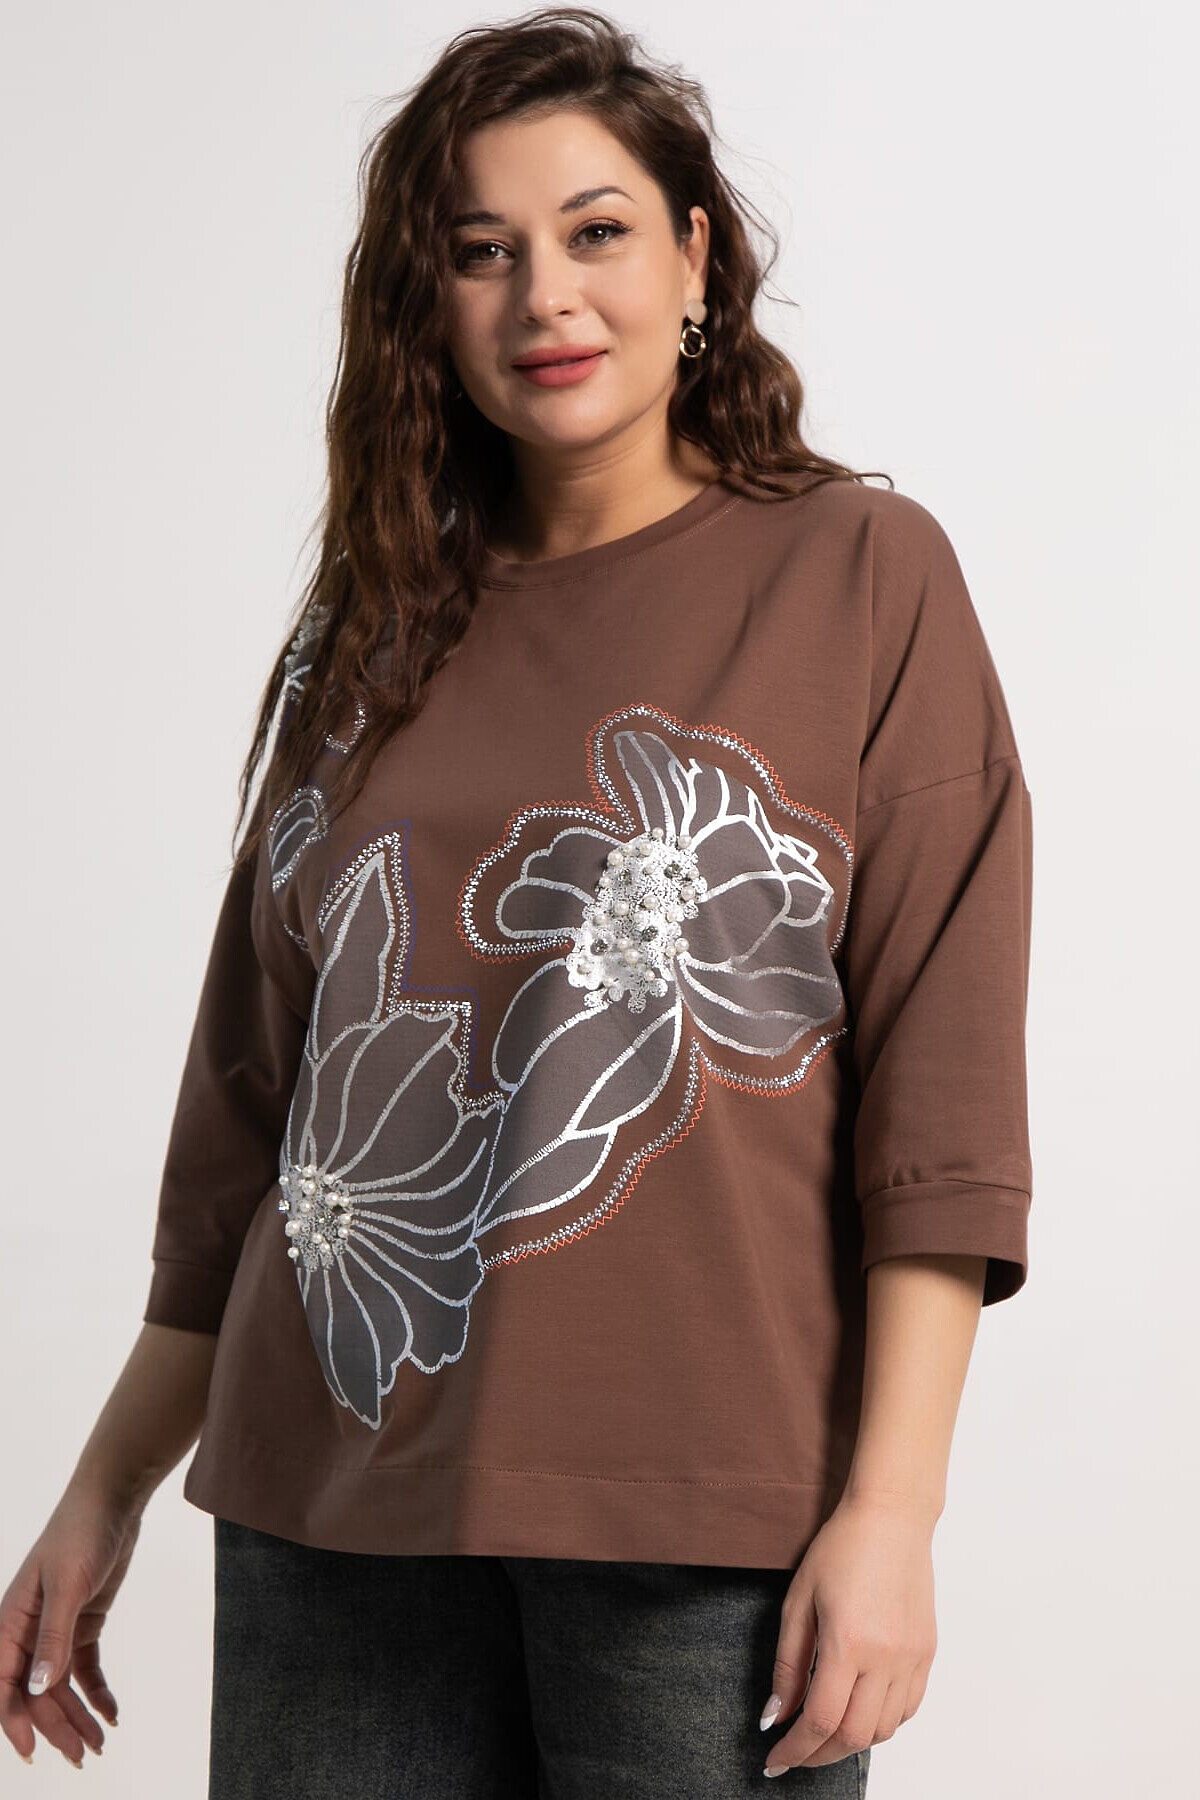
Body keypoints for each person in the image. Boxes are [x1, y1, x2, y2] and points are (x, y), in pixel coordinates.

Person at [0, 8, 1034, 1794]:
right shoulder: (371, 631)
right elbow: (246, 1120)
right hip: (330, 1512)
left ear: (694, 255)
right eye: (481, 251)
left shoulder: (860, 576)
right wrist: (105, 1487)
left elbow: (941, 1116)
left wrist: (893, 1514)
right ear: (429, 304)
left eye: (595, 231)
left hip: (703, 1522)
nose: (545, 295)